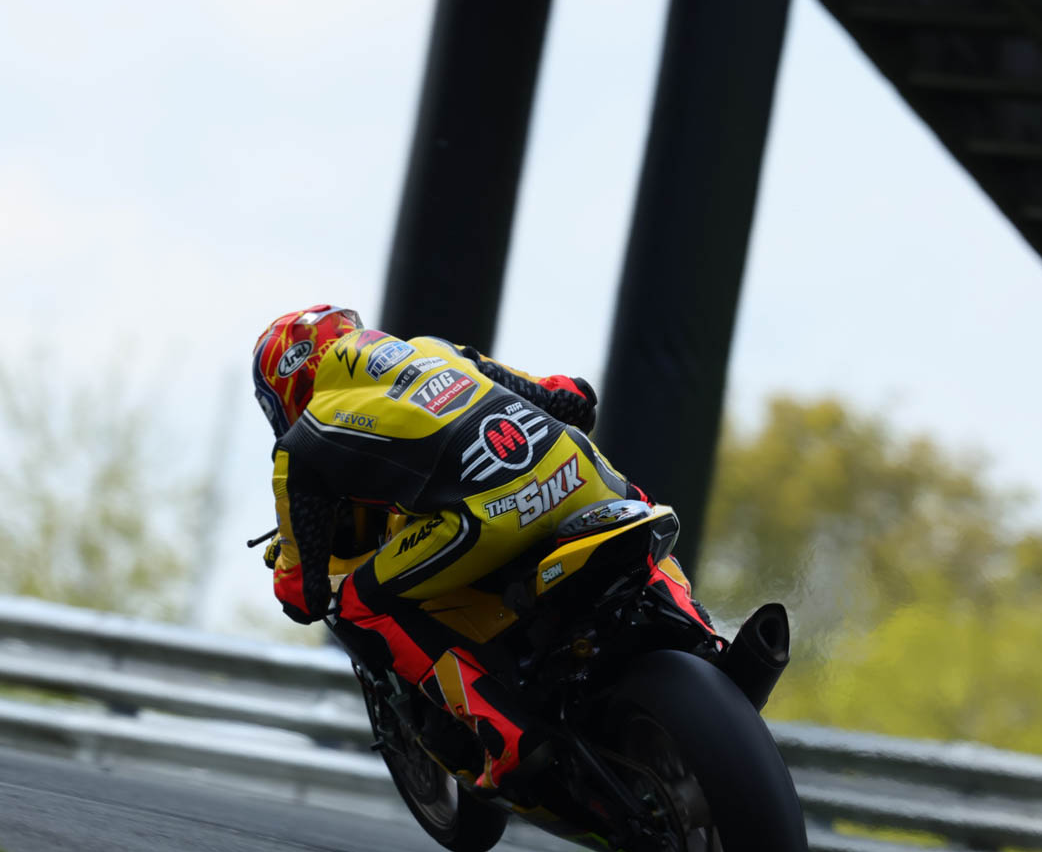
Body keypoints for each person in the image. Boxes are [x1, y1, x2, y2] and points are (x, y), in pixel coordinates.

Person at [252, 304, 715, 793]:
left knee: (357, 605)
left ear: (287, 388)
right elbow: (572, 398)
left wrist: (287, 562)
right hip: (576, 472)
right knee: (636, 511)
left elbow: (302, 595)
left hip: (488, 519)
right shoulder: (434, 350)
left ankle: (503, 732)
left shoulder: (303, 442)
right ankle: (701, 632)